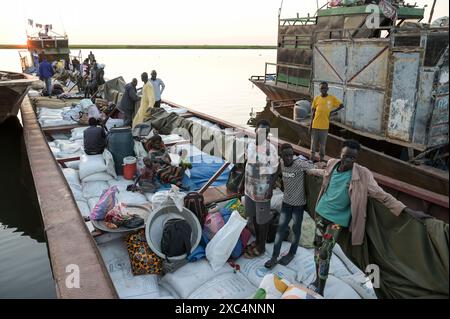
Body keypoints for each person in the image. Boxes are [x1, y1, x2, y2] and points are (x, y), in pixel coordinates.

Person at [307, 139, 430, 296]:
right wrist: (310, 170)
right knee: (317, 248)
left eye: (353, 158)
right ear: (341, 154)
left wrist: (407, 210)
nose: (348, 160)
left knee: (325, 252)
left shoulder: (363, 174)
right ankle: (317, 279)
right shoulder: (332, 163)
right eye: (346, 156)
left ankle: (321, 289)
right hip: (321, 213)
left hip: (336, 221)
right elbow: (325, 174)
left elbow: (382, 195)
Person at [264, 143, 315, 269]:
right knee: (280, 230)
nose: (289, 158)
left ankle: (292, 252)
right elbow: (276, 173)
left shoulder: (299, 164)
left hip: (298, 204)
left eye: (291, 155)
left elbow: (313, 167)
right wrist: (270, 188)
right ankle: (274, 257)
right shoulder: (281, 162)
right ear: (281, 155)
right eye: (286, 155)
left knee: (296, 230)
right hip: (286, 202)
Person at [243, 119, 279, 258]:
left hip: (263, 190)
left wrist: (270, 187)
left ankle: (262, 247)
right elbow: (247, 163)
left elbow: (277, 169)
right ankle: (258, 241)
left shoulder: (272, 149)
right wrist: (242, 184)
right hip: (249, 189)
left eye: (267, 133)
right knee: (253, 218)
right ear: (255, 131)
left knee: (262, 221)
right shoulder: (250, 145)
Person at [309, 81, 344, 162]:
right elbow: (313, 112)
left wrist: (332, 112)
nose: (323, 89)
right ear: (319, 89)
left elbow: (341, 105)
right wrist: (310, 125)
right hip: (315, 125)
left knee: (322, 145)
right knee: (313, 145)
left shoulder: (331, 98)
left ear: (327, 89)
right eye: (322, 88)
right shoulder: (316, 98)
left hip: (324, 127)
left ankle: (321, 161)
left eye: (325, 88)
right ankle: (311, 160)